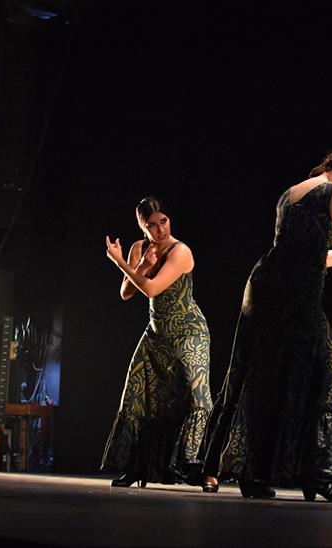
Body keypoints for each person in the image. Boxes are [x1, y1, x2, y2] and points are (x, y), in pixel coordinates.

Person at [201, 151, 332, 503]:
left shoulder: (290, 192)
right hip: (297, 292)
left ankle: (256, 474)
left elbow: (310, 253)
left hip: (264, 285)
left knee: (264, 375)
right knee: (326, 373)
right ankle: (323, 475)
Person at [101, 197, 212, 488]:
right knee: (137, 395)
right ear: (142, 226)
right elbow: (127, 292)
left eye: (163, 221)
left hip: (188, 331)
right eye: (151, 225)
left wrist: (120, 262)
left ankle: (198, 467)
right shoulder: (141, 247)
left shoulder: (181, 252)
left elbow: (150, 288)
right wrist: (138, 264)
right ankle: (138, 466)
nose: (159, 229)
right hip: (156, 333)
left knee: (196, 396)